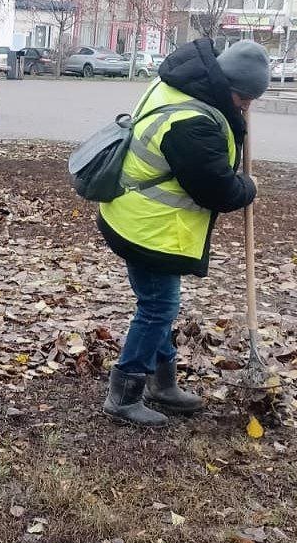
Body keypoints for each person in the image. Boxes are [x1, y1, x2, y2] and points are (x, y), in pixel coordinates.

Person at [98, 38, 268, 427]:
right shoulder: (193, 121)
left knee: (157, 305)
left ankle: (163, 383)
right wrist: (249, 187)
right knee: (158, 308)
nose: (246, 107)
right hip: (148, 228)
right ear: (227, 85)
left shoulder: (181, 83)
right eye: (244, 98)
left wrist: (235, 120)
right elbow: (216, 190)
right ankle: (124, 395)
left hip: (131, 214)